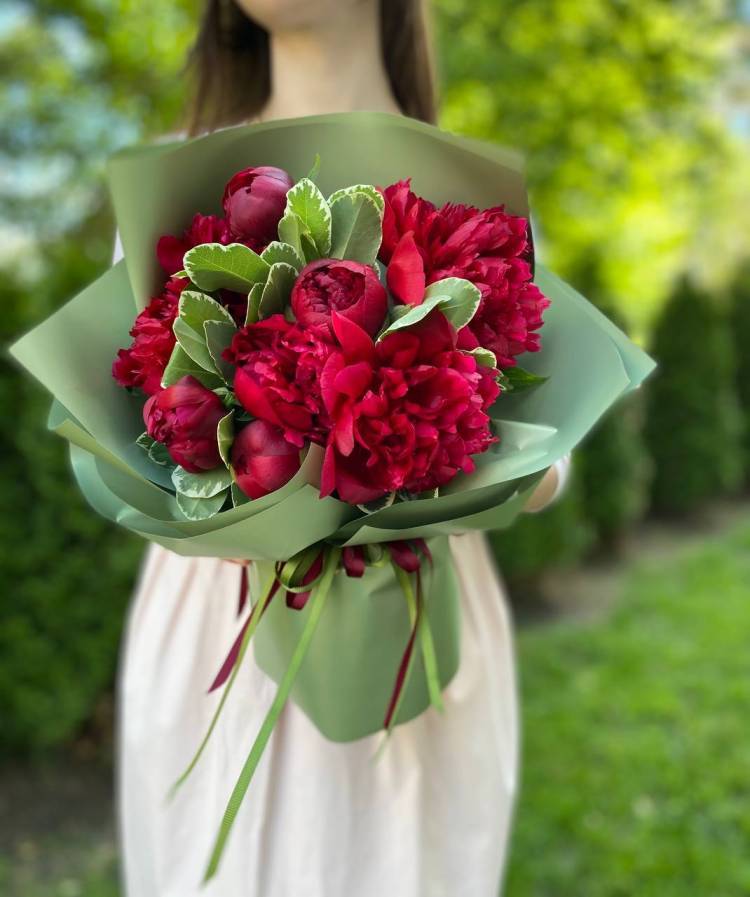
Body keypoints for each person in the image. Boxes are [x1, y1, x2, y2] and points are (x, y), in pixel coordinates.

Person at [116, 2, 570, 895]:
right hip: (224, 622)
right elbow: (129, 419)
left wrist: (495, 462)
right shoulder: (179, 174)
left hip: (414, 612)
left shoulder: (468, 184)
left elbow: (548, 440)